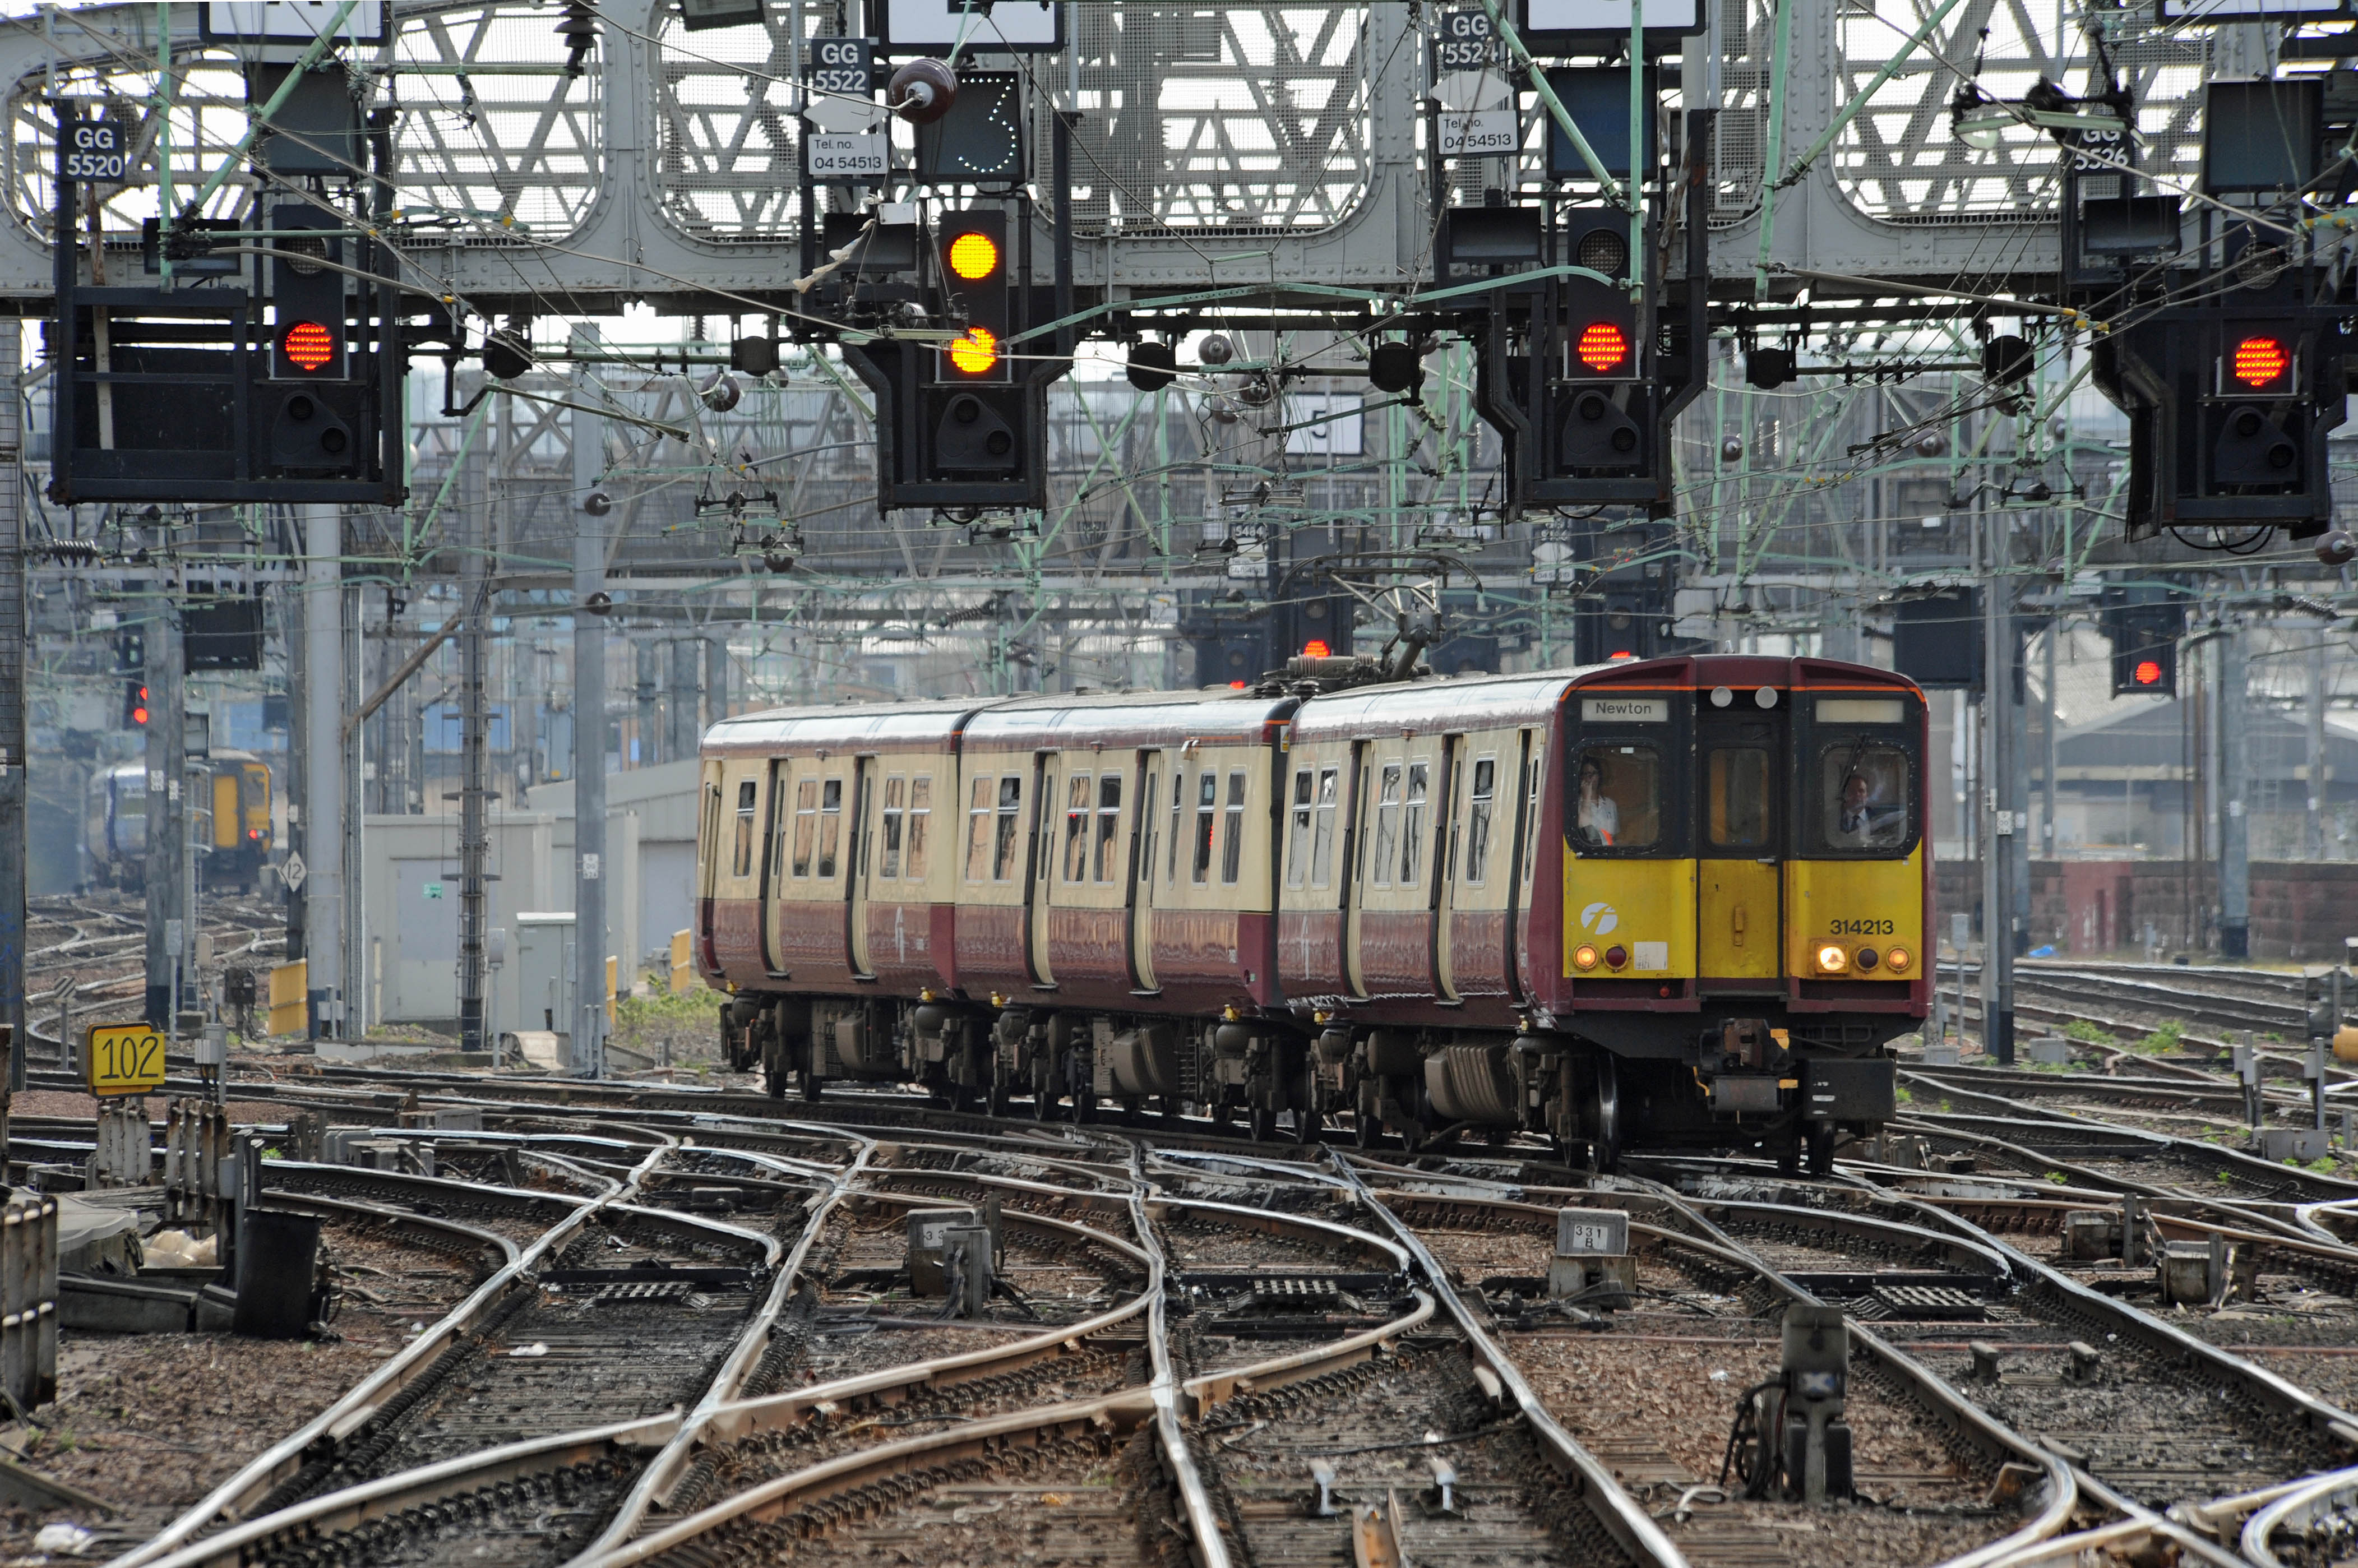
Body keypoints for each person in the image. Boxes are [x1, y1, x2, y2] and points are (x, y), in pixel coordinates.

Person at [1833, 769, 1901, 845]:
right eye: (1852, 791)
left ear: (1867, 795)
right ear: (1845, 795)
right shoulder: (1834, 820)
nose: (1857, 795)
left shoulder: (1879, 820)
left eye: (1861, 791)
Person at [1576, 758, 1619, 846]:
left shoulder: (1610, 805)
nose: (1591, 777)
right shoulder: (1576, 805)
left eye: (1594, 773)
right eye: (1587, 774)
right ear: (1582, 777)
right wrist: (1586, 798)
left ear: (1599, 776)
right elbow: (1585, 828)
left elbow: (1615, 837)